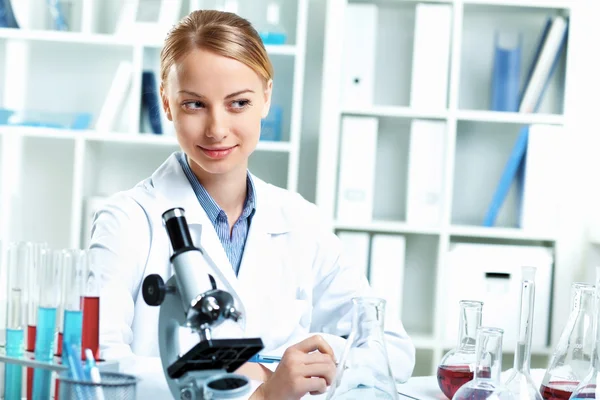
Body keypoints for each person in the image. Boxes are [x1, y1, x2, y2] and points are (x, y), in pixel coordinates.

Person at [89, 9, 415, 400]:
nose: (217, 129)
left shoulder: (299, 220)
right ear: (166, 103)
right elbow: (97, 366)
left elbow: (390, 347)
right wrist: (258, 391)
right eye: (194, 104)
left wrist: (288, 367)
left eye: (238, 103)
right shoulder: (126, 221)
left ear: (266, 98)